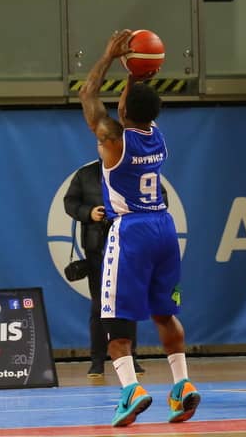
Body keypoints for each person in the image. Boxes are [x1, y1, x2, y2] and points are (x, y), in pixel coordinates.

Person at [78, 29, 198, 427]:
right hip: (164, 226)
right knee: (164, 313)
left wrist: (110, 57)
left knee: (113, 318)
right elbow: (132, 107)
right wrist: (135, 74)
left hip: (131, 230)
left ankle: (131, 389)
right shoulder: (157, 136)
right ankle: (181, 384)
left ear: (124, 111)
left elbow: (88, 95)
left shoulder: (114, 140)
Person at [63, 160, 144, 379]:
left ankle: (131, 358)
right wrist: (88, 212)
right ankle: (97, 361)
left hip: (127, 247)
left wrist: (131, 212)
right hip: (96, 250)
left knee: (127, 304)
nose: (105, 148)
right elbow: (69, 202)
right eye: (101, 144)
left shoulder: (134, 170)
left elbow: (160, 198)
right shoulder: (85, 174)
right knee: (99, 305)